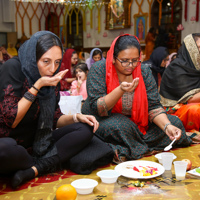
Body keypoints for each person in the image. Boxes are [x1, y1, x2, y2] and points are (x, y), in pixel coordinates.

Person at [0, 31, 99, 189]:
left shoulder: (52, 77)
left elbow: (55, 119)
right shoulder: (13, 68)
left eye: (57, 62)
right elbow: (12, 120)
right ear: (33, 57)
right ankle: (43, 163)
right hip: (10, 144)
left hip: (38, 143)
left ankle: (34, 169)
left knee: (86, 128)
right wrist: (37, 85)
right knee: (4, 150)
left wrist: (77, 117)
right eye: (46, 61)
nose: (52, 68)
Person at [81, 34, 192, 163]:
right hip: (102, 119)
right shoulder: (99, 69)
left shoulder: (143, 71)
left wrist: (167, 126)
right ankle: (137, 146)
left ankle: (126, 148)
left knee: (174, 123)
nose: (130, 65)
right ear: (113, 57)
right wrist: (120, 90)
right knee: (121, 126)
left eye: (135, 60)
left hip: (138, 122)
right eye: (124, 60)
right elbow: (99, 108)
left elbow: (153, 106)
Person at [160, 33, 200, 134]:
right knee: (195, 110)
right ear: (190, 48)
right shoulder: (176, 68)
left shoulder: (197, 66)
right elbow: (189, 98)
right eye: (199, 47)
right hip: (175, 109)